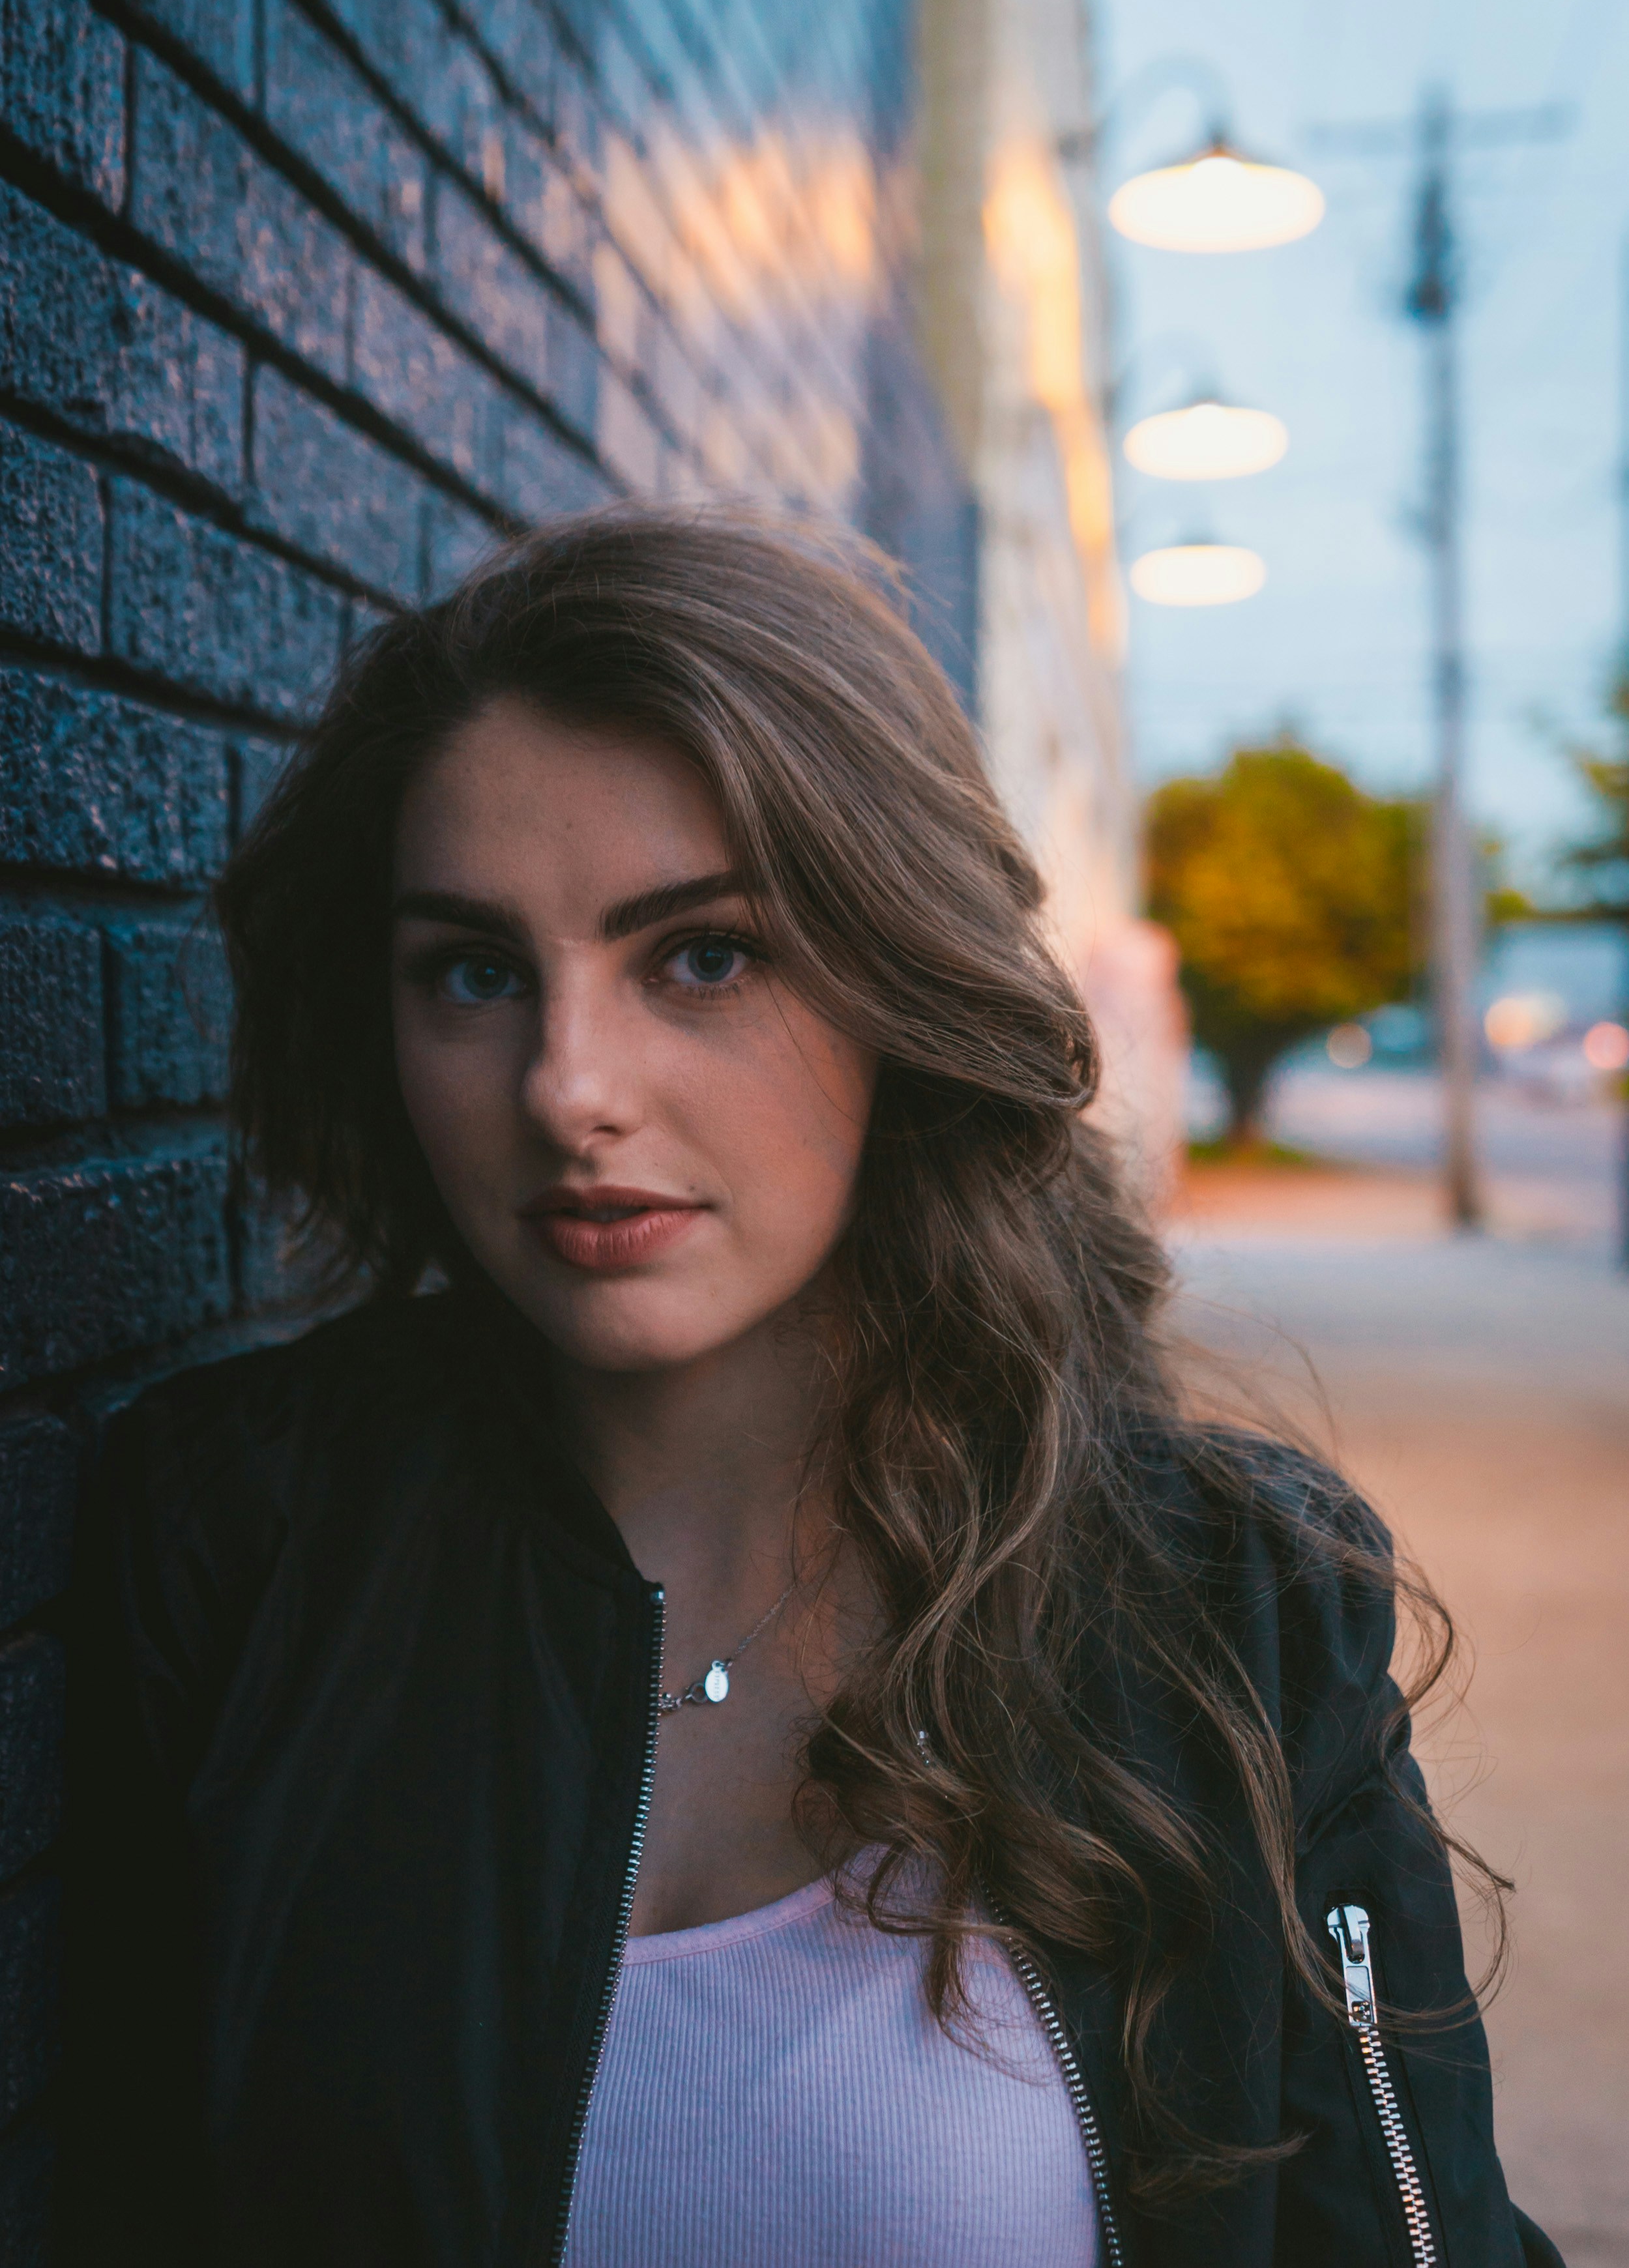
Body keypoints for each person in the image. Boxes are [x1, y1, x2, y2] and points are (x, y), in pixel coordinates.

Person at [56, 510, 1559, 2268]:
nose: (568, 1086)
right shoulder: (246, 1534)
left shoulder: (1222, 1599)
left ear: (894, 979)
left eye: (701, 955)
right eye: (473, 971)